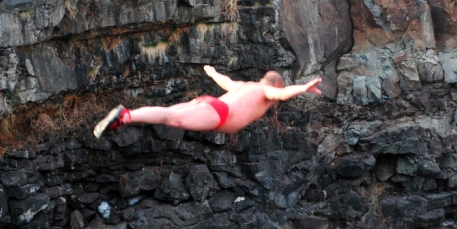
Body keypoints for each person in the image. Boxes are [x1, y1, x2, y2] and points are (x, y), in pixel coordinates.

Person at [93, 66, 323, 138]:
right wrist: (302, 88)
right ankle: (126, 116)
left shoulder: (245, 86)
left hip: (210, 103)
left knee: (168, 114)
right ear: (276, 85)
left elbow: (224, 80)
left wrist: (211, 72)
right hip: (221, 113)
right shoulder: (266, 91)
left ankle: (126, 117)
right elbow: (281, 95)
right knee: (171, 118)